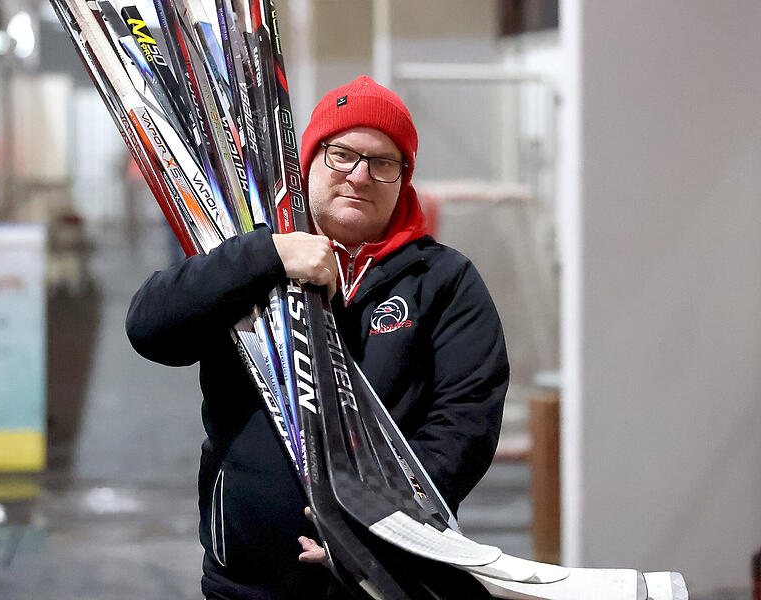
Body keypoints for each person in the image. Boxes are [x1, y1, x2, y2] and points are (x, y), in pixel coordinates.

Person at [125, 75, 509, 600]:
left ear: (403, 179)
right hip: (249, 581)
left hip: (387, 577)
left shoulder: (443, 280)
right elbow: (150, 330)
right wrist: (269, 256)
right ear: (308, 161)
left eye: (383, 162)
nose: (360, 175)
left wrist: (381, 525)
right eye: (342, 154)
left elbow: (465, 420)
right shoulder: (249, 260)